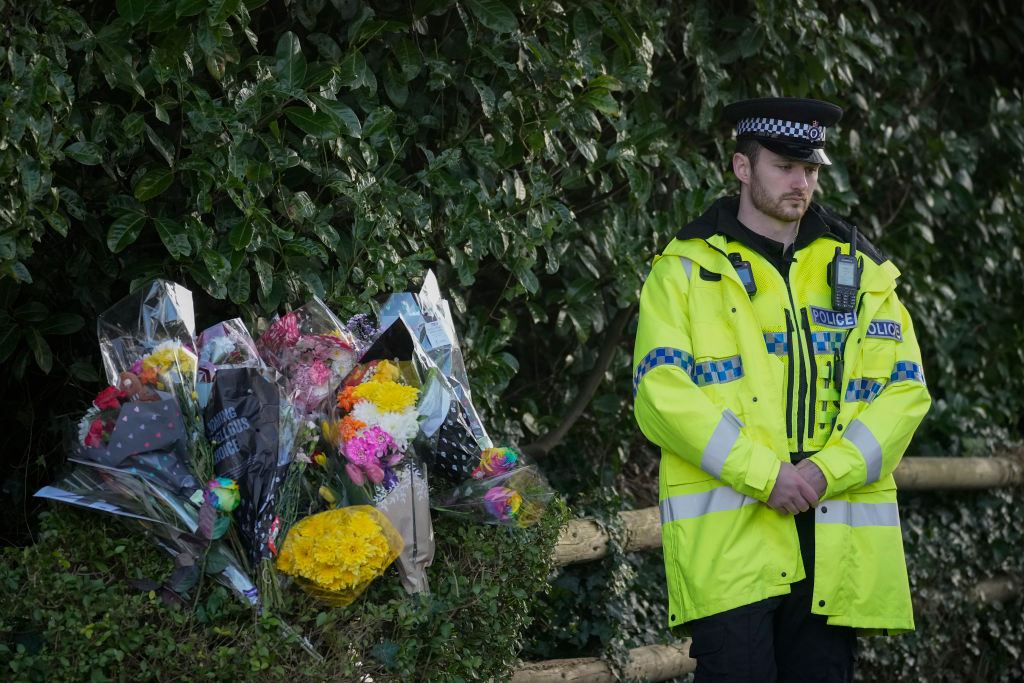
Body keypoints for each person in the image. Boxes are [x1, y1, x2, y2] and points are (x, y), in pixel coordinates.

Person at [631, 97, 931, 682]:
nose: (802, 182)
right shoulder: (684, 269)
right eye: (784, 167)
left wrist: (825, 472)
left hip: (834, 538)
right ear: (742, 168)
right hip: (731, 541)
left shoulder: (860, 270)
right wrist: (766, 475)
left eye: (811, 169)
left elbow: (904, 391)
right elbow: (660, 394)